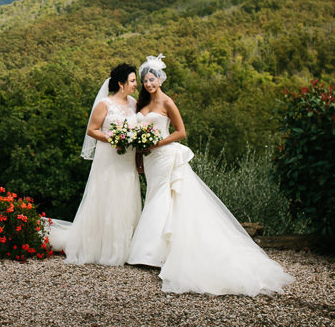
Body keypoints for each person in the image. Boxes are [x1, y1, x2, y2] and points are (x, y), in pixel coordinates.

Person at [126, 54, 294, 295]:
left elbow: (181, 132)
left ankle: (153, 253)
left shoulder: (167, 102)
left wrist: (158, 143)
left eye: (152, 79)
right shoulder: (142, 104)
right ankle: (152, 249)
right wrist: (141, 155)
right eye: (145, 80)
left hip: (164, 156)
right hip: (150, 160)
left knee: (162, 197)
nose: (148, 84)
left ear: (160, 79)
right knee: (153, 195)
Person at [47, 64, 142, 266]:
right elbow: (92, 130)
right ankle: (102, 247)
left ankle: (125, 247)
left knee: (126, 196)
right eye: (132, 81)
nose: (136, 84)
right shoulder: (104, 104)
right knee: (107, 195)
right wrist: (115, 138)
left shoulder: (134, 103)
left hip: (127, 160)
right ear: (121, 83)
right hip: (109, 157)